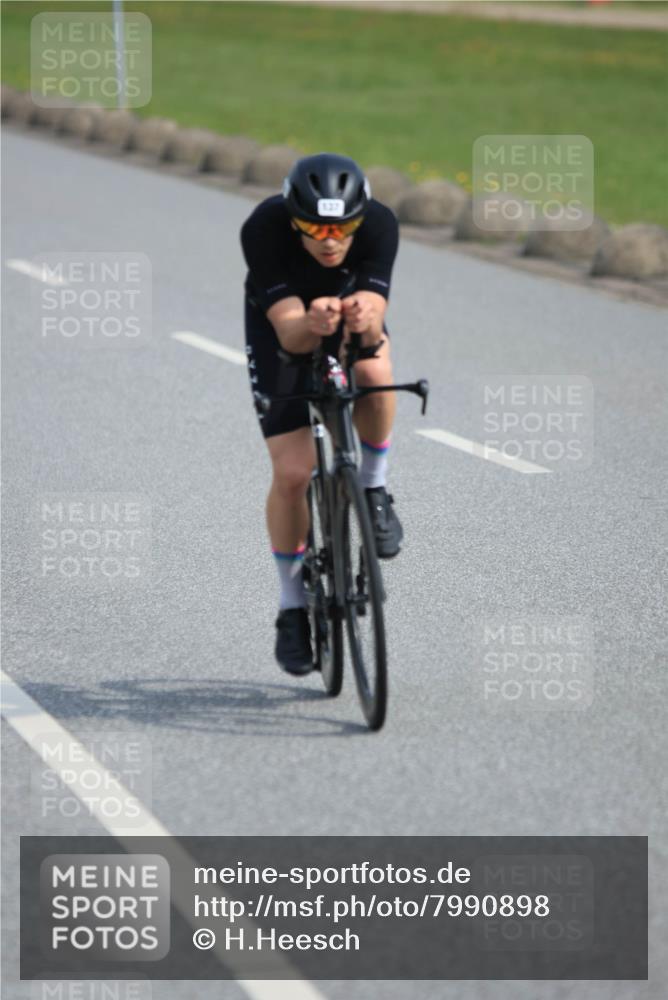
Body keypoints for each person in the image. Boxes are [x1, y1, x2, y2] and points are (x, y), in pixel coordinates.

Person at [240, 152, 402, 676]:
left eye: (341, 229)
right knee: (293, 473)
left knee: (374, 372)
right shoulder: (264, 228)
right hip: (282, 329)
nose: (329, 241)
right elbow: (290, 334)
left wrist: (364, 317)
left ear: (359, 220)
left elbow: (374, 326)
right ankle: (291, 608)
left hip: (347, 324)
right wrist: (311, 322)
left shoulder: (379, 224)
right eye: (314, 228)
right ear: (294, 221)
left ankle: (373, 487)